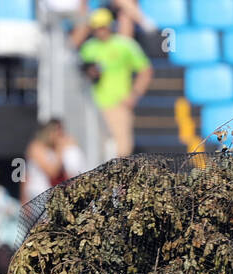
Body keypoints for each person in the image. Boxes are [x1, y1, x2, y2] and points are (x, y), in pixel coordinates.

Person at [77, 8, 151, 158]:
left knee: (122, 151)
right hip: (93, 106)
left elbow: (145, 70)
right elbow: (81, 74)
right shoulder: (88, 48)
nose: (100, 31)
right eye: (96, 27)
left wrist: (134, 95)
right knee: (94, 151)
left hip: (118, 104)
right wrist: (90, 73)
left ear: (110, 25)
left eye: (103, 26)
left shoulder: (124, 45)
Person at [21, 117, 86, 205]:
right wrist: (61, 149)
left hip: (52, 196)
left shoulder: (54, 150)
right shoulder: (36, 148)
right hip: (37, 196)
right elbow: (52, 172)